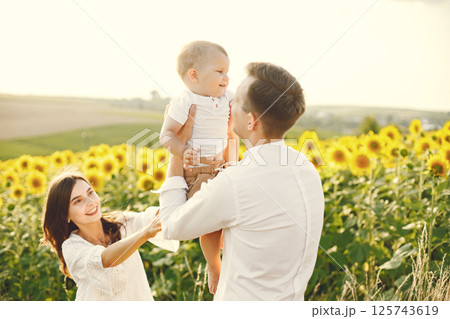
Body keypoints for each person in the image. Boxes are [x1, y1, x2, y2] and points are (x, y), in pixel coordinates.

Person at [158, 62, 325, 300]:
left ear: (251, 120)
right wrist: (229, 136)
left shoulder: (237, 183)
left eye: (234, 100)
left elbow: (172, 226)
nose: (228, 103)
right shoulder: (306, 170)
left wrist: (177, 150)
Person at [159, 40, 238, 294]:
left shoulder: (227, 97)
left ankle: (225, 255)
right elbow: (167, 136)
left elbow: (234, 128)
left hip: (222, 166)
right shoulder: (185, 101)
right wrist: (184, 152)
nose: (226, 78)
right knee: (212, 222)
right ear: (194, 75)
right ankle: (214, 265)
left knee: (232, 216)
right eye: (219, 71)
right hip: (197, 170)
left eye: (227, 71)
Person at [41, 170, 179, 301]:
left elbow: (151, 218)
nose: (91, 202)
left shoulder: (121, 223)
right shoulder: (72, 247)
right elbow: (105, 259)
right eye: (78, 201)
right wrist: (144, 233)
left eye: (90, 193)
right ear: (65, 214)